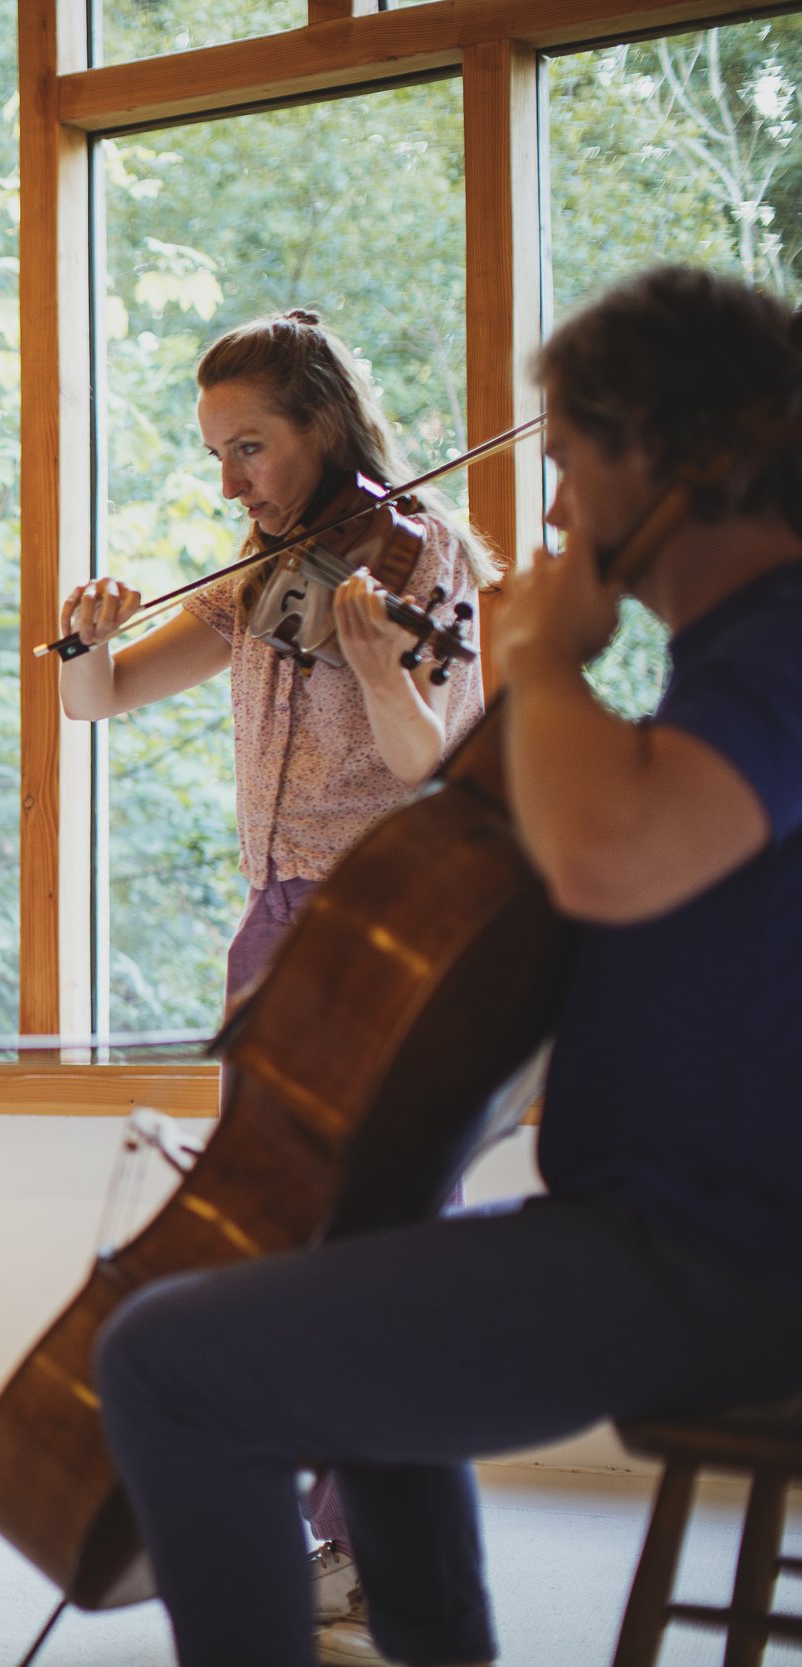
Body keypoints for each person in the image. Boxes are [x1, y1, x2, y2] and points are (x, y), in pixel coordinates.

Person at [89, 263, 802, 1667]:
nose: (547, 512)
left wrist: (536, 662)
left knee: (164, 1358)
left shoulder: (779, 649)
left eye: (570, 464)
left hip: (716, 1251)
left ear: (677, 449)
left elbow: (604, 858)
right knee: (353, 1328)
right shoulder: (732, 658)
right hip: (663, 1219)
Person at [57, 310, 499, 1657]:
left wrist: (382, 674)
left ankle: (389, 1551)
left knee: (382, 1239)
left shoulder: (424, 552)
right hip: (275, 924)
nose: (230, 478)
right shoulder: (265, 567)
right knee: (289, 1243)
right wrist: (83, 640)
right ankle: (337, 1533)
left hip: (389, 925)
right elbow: (102, 700)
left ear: (323, 422)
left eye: (250, 445)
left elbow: (441, 760)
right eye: (216, 451)